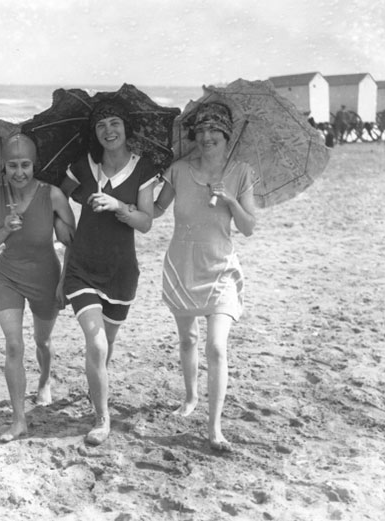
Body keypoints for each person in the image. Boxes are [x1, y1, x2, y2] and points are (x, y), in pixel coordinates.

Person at [153, 102, 256, 453]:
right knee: (187, 340)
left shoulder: (240, 171)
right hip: (182, 266)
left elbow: (249, 228)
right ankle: (190, 397)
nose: (207, 136)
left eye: (215, 131)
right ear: (194, 135)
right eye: (201, 131)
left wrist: (230, 199)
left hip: (221, 269)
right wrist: (132, 193)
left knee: (215, 347)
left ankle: (214, 428)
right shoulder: (179, 170)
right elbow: (154, 210)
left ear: (227, 135)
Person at [59, 100, 155, 445]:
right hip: (81, 267)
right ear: (94, 132)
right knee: (97, 344)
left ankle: (95, 391)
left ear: (126, 128)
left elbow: (146, 222)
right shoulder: (83, 166)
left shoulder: (142, 169)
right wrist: (66, 218)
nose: (109, 131)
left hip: (121, 271)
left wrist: (117, 206)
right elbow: (58, 193)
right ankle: (102, 418)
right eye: (101, 125)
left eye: (115, 123)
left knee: (106, 345)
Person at [0, 132, 76, 442]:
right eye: (12, 166)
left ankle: (45, 380)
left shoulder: (53, 195)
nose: (19, 172)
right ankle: (19, 419)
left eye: (25, 165)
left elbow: (72, 241)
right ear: (4, 167)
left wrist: (64, 282)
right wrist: (5, 229)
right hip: (7, 275)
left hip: (46, 277)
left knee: (42, 341)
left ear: (34, 165)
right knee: (13, 346)